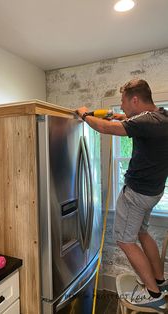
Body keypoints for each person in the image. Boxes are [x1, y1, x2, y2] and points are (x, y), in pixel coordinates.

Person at [76, 79, 168, 311]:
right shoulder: (162, 117)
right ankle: (160, 282)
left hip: (136, 194)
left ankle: (153, 294)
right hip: (153, 192)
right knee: (142, 232)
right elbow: (134, 122)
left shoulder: (146, 122)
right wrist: (119, 116)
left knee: (125, 241)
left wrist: (85, 115)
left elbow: (106, 129)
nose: (122, 107)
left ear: (135, 99)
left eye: (123, 102)